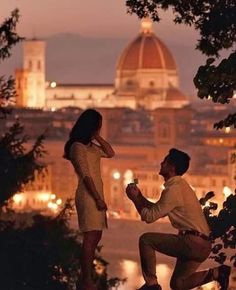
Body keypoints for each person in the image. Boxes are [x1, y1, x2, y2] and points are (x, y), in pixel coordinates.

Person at [126, 148, 231, 290]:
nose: (161, 163)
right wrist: (139, 197)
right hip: (203, 245)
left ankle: (151, 284)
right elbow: (158, 210)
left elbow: (149, 217)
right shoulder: (180, 186)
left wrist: (134, 199)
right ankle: (217, 273)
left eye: (165, 161)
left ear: (171, 168)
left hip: (191, 243)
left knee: (146, 240)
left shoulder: (173, 190)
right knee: (178, 284)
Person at [64, 109, 115, 290]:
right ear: (90, 126)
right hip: (88, 195)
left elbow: (110, 153)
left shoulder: (91, 146)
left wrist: (98, 138)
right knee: (90, 237)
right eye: (97, 126)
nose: (99, 128)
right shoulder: (77, 147)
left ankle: (86, 276)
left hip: (96, 194)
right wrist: (97, 198)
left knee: (96, 236)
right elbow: (86, 176)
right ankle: (86, 279)